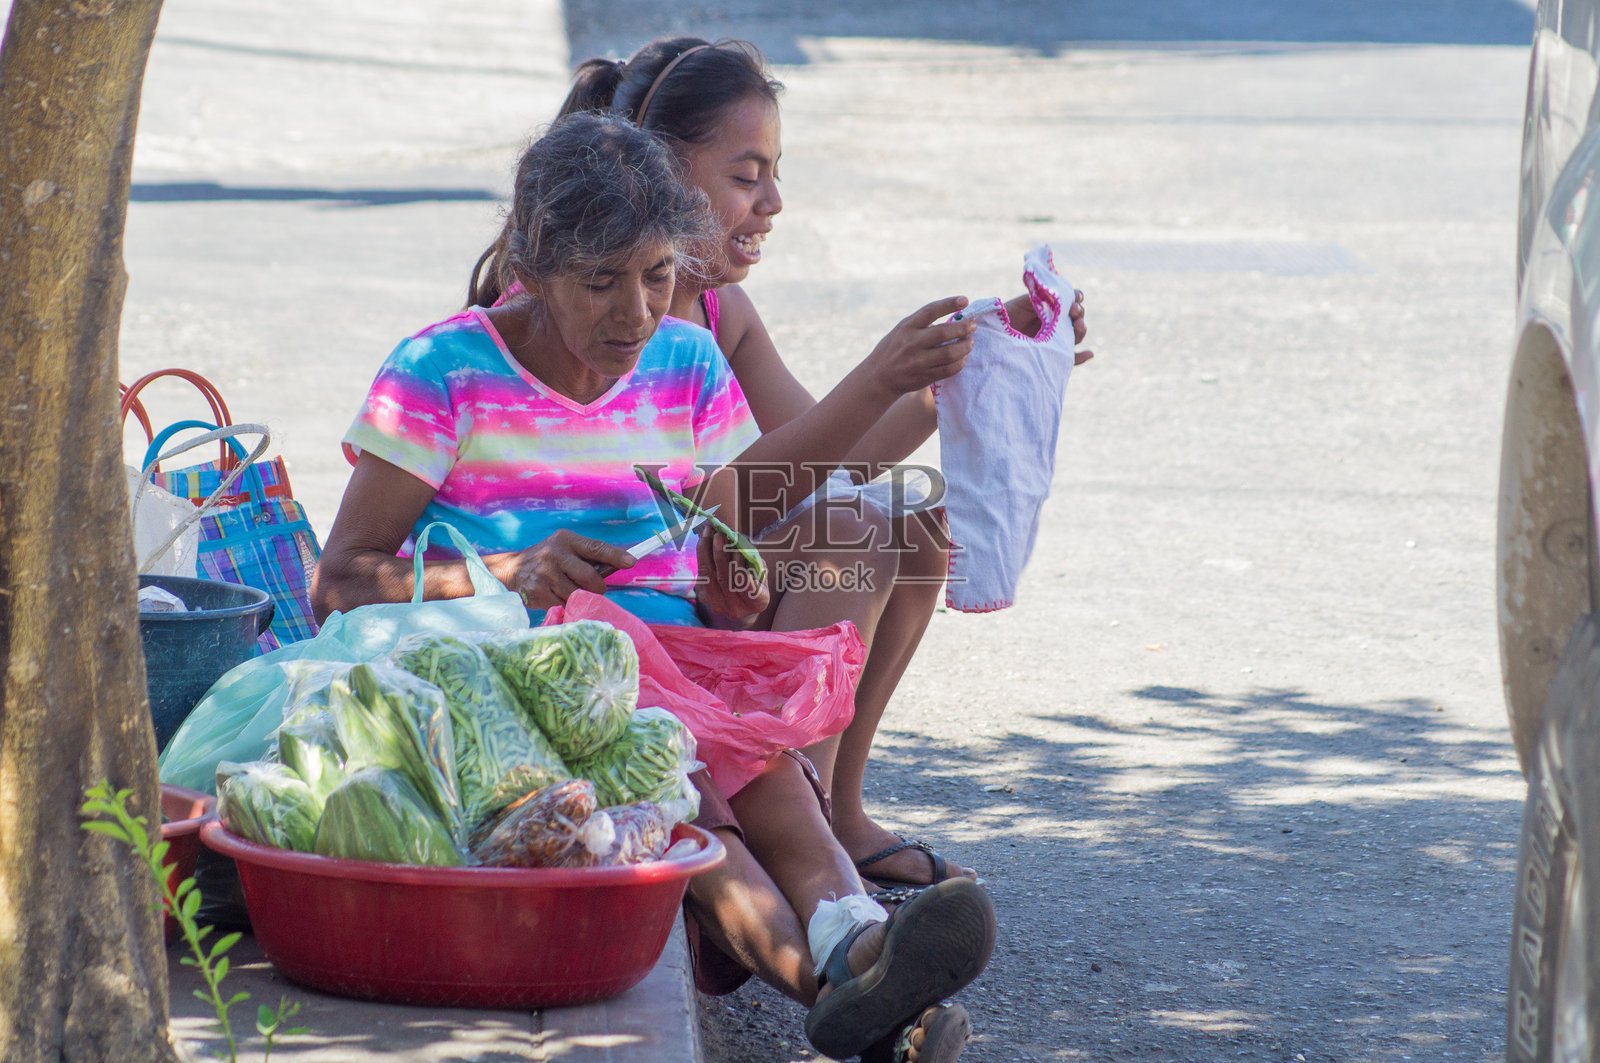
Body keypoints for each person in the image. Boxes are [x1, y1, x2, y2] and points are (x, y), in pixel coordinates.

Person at [313, 112, 993, 1063]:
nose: (635, 311)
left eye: (658, 276)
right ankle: (847, 985)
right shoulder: (440, 372)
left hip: (679, 670)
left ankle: (861, 949)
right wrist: (510, 572)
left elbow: (723, 548)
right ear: (531, 267)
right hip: (523, 689)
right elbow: (338, 583)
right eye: (601, 281)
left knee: (771, 777)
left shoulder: (688, 363)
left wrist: (732, 592)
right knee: (680, 788)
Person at [469, 37, 1092, 891]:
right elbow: (730, 502)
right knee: (852, 532)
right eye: (745, 176)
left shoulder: (718, 311)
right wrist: (881, 375)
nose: (773, 203)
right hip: (619, 599)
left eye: (774, 173)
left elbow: (826, 461)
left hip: (702, 570)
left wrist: (966, 365)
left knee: (912, 517)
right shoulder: (588, 315)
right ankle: (797, 829)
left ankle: (834, 810)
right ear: (661, 174)